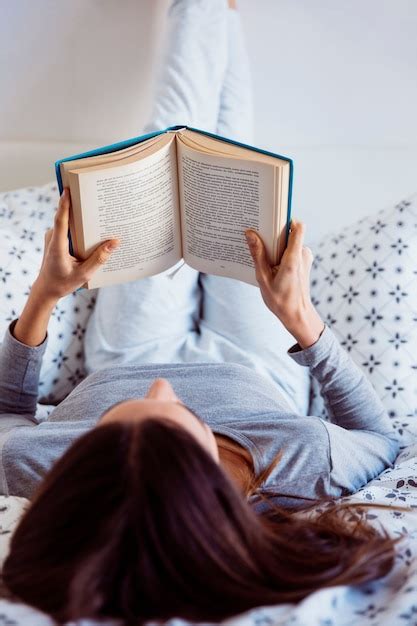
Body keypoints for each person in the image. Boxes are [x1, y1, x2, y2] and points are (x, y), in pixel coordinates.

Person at [1, 0, 400, 623]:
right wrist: (301, 320)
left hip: (127, 351)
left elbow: (7, 411)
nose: (165, 390)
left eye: (113, 425)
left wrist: (45, 295)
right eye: (178, 420)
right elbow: (381, 439)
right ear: (211, 482)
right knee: (237, 163)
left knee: (168, 149)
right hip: (259, 362)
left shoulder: (36, 469)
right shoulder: (292, 465)